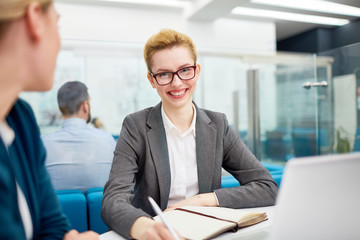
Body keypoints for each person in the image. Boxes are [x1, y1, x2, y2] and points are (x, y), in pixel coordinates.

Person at [101, 29, 278, 240]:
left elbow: (267, 187)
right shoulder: (136, 126)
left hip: (208, 233)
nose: (177, 83)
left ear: (197, 70)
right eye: (164, 74)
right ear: (151, 80)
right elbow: (113, 200)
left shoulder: (218, 125)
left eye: (185, 70)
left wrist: (203, 200)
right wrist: (148, 229)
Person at [0, 1, 98, 239]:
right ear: (35, 18)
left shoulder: (20, 120)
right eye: (58, 24)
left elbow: (52, 224)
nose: (59, 43)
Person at [42, 81, 116, 192]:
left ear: (61, 108)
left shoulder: (43, 144)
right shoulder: (107, 140)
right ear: (85, 106)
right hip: (102, 209)